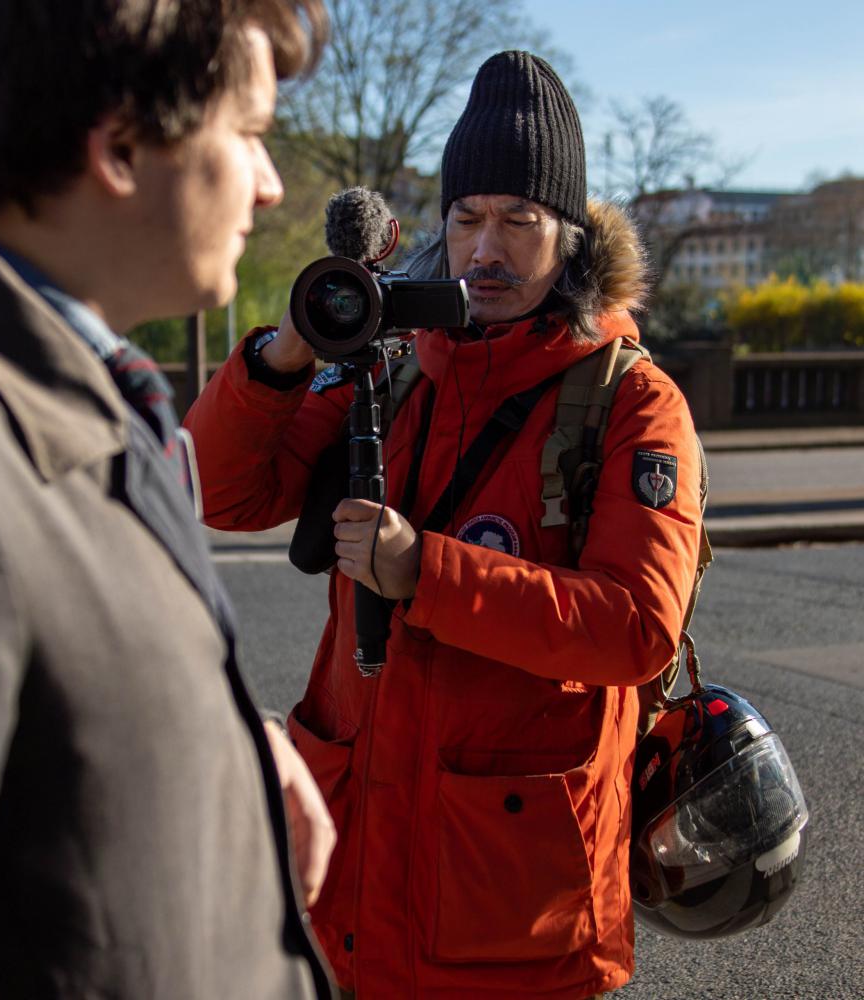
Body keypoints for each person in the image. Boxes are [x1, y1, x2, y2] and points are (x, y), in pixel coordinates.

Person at [186, 50, 703, 999]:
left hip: (517, 916)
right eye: (467, 218)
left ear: (569, 235)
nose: (486, 249)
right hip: (355, 888)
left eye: (519, 218)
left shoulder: (632, 400)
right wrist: (290, 350)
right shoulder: (396, 368)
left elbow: (636, 627)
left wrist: (426, 572)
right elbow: (222, 496)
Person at [0, 1, 338, 998]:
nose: (269, 183)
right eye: (249, 133)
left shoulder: (70, 383)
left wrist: (228, 743)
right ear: (121, 146)